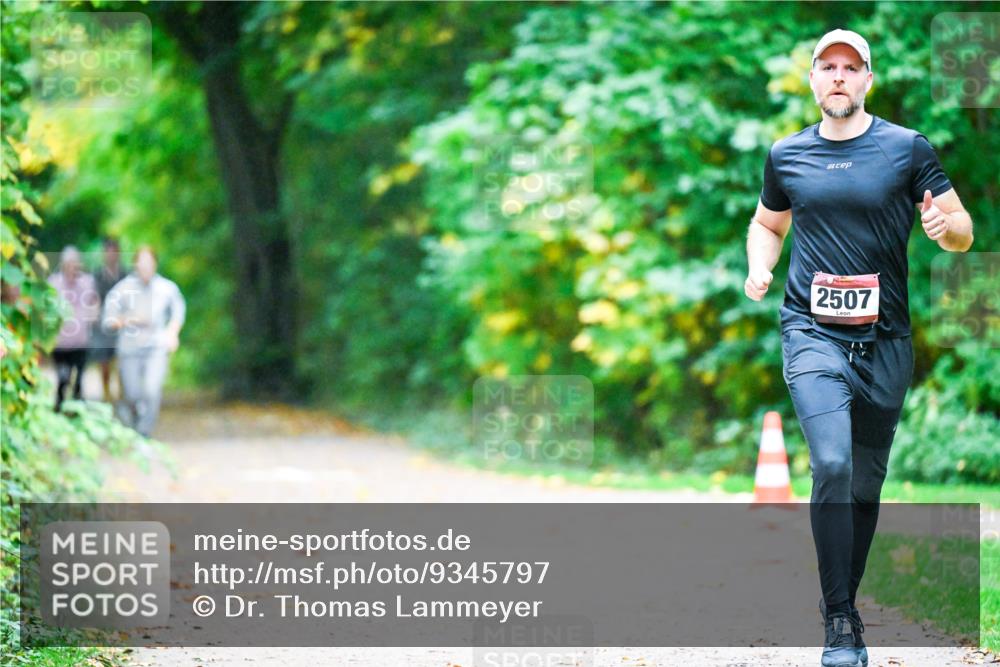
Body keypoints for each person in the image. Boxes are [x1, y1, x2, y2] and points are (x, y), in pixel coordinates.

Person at [744, 29, 974, 667]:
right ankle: (840, 621)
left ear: (868, 79)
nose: (839, 77)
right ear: (814, 80)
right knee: (835, 467)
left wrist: (943, 227)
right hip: (811, 333)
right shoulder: (786, 155)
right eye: (828, 67)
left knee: (866, 487)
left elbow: (963, 230)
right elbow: (767, 222)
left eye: (852, 67)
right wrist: (760, 267)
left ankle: (843, 597)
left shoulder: (905, 149)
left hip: (886, 341)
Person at [102, 245, 185, 437]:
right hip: (129, 348)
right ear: (135, 265)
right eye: (142, 263)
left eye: (149, 263)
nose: (145, 267)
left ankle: (144, 432)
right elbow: (108, 319)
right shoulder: (123, 289)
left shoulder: (167, 288)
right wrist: (128, 319)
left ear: (155, 264)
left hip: (156, 347)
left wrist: (173, 332)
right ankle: (133, 420)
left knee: (152, 389)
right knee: (131, 394)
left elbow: (178, 311)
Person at [48, 246, 101, 411]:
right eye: (70, 264)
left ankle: (77, 411)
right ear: (63, 265)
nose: (73, 268)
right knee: (63, 378)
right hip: (60, 343)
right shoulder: (54, 282)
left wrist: (92, 316)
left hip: (80, 341)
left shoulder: (87, 281)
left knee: (78, 380)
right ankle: (60, 408)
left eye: (76, 264)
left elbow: (95, 302)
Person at [92, 238, 127, 402]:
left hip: (123, 325)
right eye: (108, 252)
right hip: (103, 325)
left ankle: (122, 394)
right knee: (104, 362)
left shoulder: (125, 274)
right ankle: (107, 394)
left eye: (114, 252)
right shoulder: (97, 275)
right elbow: (93, 298)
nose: (111, 255)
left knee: (122, 363)